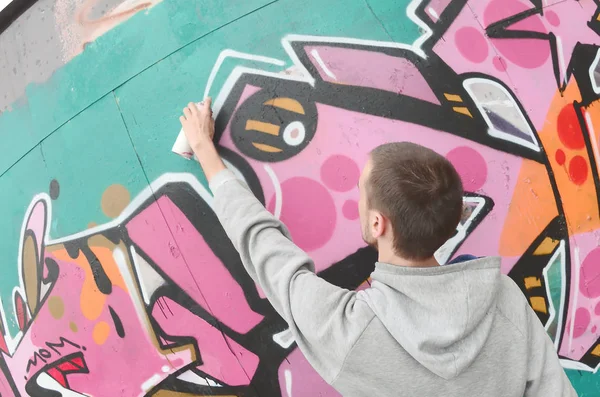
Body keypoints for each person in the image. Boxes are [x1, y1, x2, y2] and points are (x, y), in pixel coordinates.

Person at [180, 99, 577, 397]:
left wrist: (206, 154)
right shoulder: (504, 299)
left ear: (376, 224)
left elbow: (268, 253)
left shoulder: (353, 329)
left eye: (361, 192)